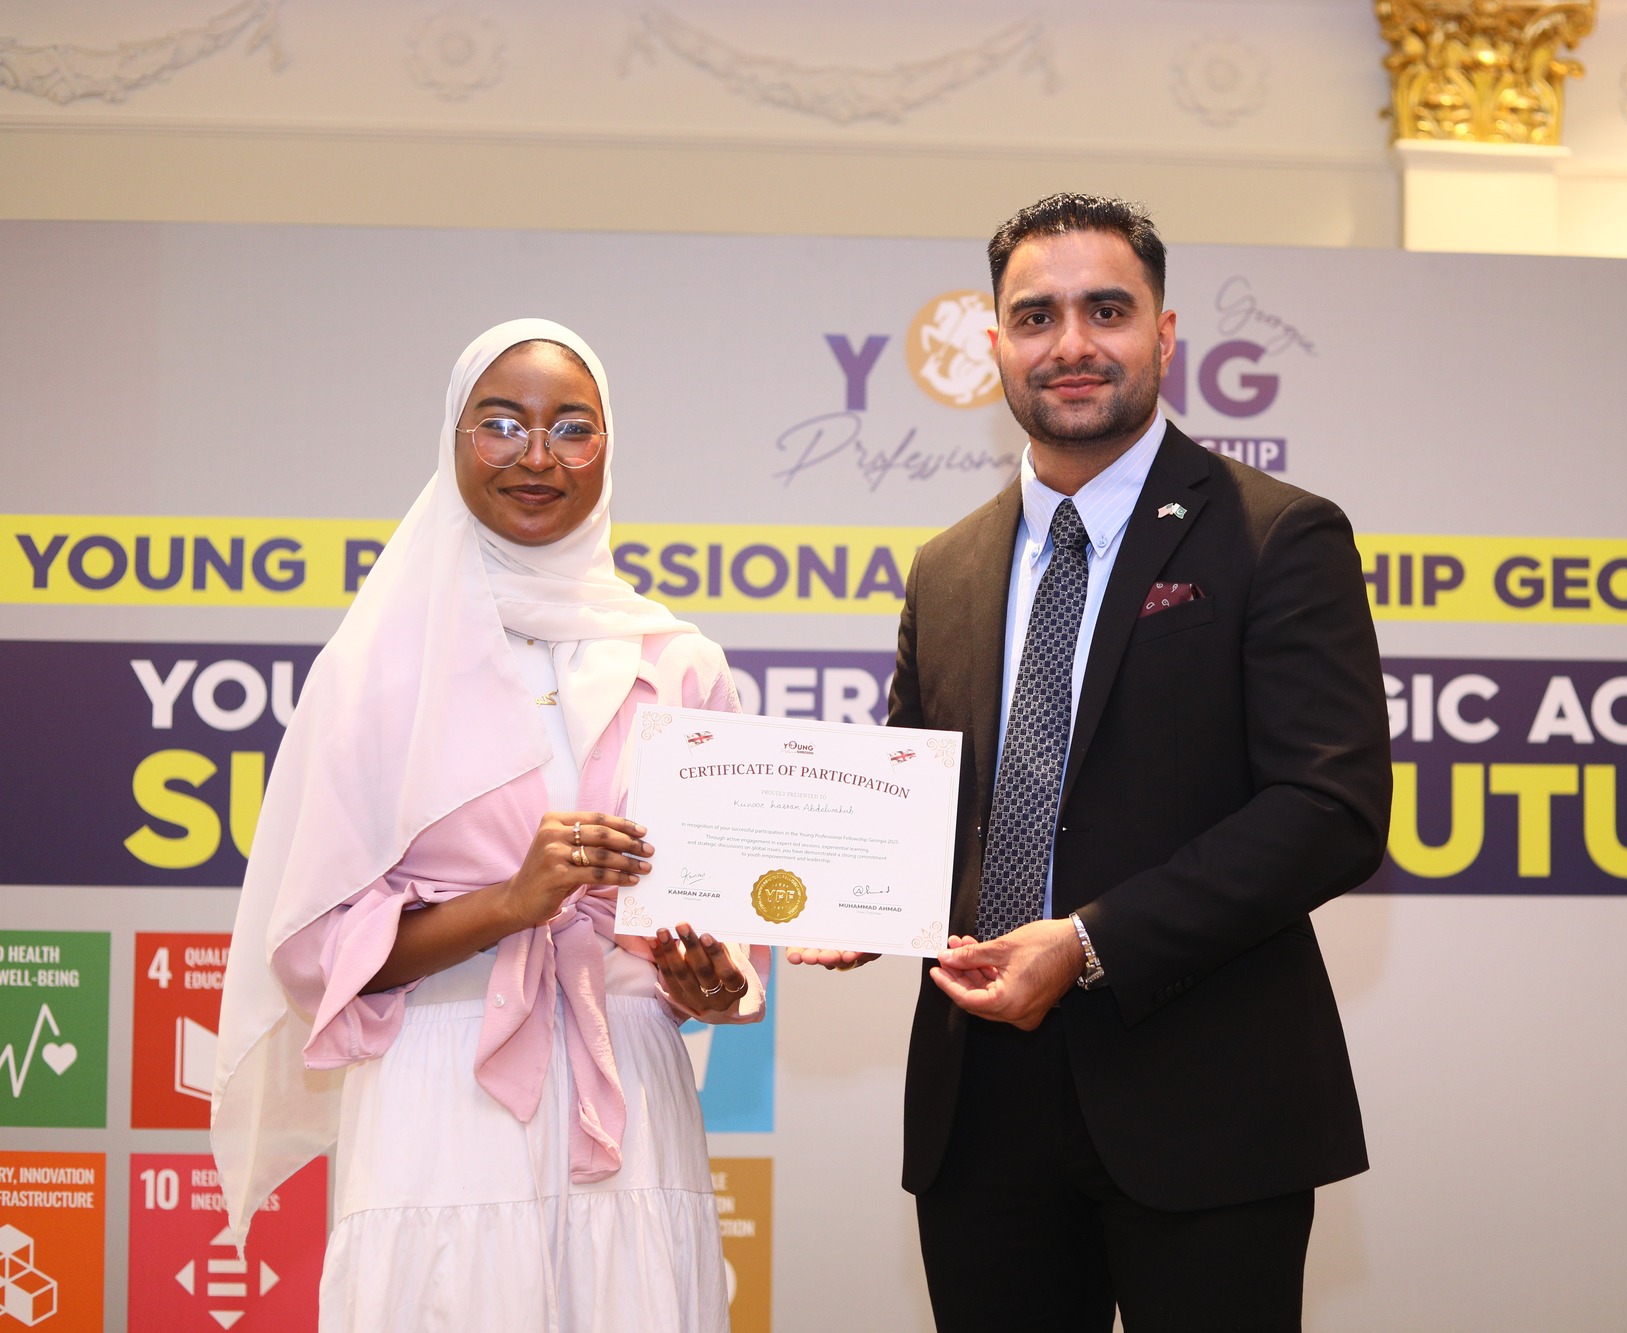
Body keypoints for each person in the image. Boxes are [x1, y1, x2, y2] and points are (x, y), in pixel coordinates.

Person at [792, 194, 1393, 1330]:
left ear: (1162, 334)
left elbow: (1330, 808)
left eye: (1105, 311)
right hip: (981, 1108)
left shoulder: (1276, 535)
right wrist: (859, 893)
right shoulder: (946, 568)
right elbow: (924, 802)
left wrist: (1087, 942)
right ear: (994, 346)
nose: (1070, 344)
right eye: (1036, 317)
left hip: (1206, 1102)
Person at [212, 319, 766, 1333]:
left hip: (629, 1085)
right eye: (502, 424)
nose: (537, 456)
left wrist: (708, 981)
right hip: (440, 1092)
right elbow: (317, 958)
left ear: (609, 445)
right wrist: (512, 902)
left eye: (573, 428)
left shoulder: (681, 663)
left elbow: (720, 918)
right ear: (454, 438)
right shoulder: (376, 671)